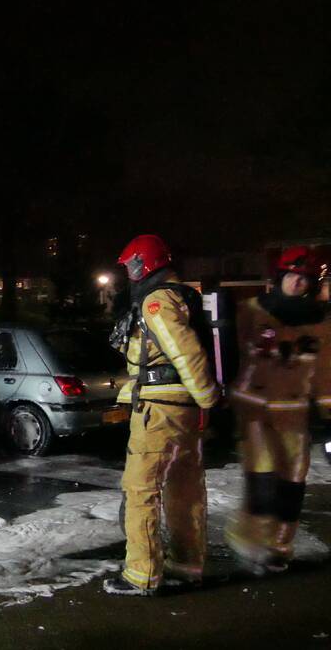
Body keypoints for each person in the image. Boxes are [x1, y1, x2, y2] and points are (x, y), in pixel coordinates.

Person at [104, 234, 220, 595]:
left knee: (141, 489)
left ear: (145, 263)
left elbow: (184, 352)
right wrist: (202, 404)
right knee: (184, 489)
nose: (129, 274)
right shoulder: (182, 295)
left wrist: (208, 399)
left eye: (131, 266)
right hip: (183, 408)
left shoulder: (156, 301)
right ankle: (187, 564)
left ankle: (142, 573)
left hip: (160, 409)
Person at [225, 246, 330, 572]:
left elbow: (326, 374)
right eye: (293, 276)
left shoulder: (322, 322)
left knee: (292, 485)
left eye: (305, 278)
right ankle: (249, 541)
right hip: (254, 412)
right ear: (280, 276)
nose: (298, 283)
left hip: (294, 412)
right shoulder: (250, 312)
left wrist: (328, 417)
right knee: (263, 480)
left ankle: (279, 548)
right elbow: (230, 357)